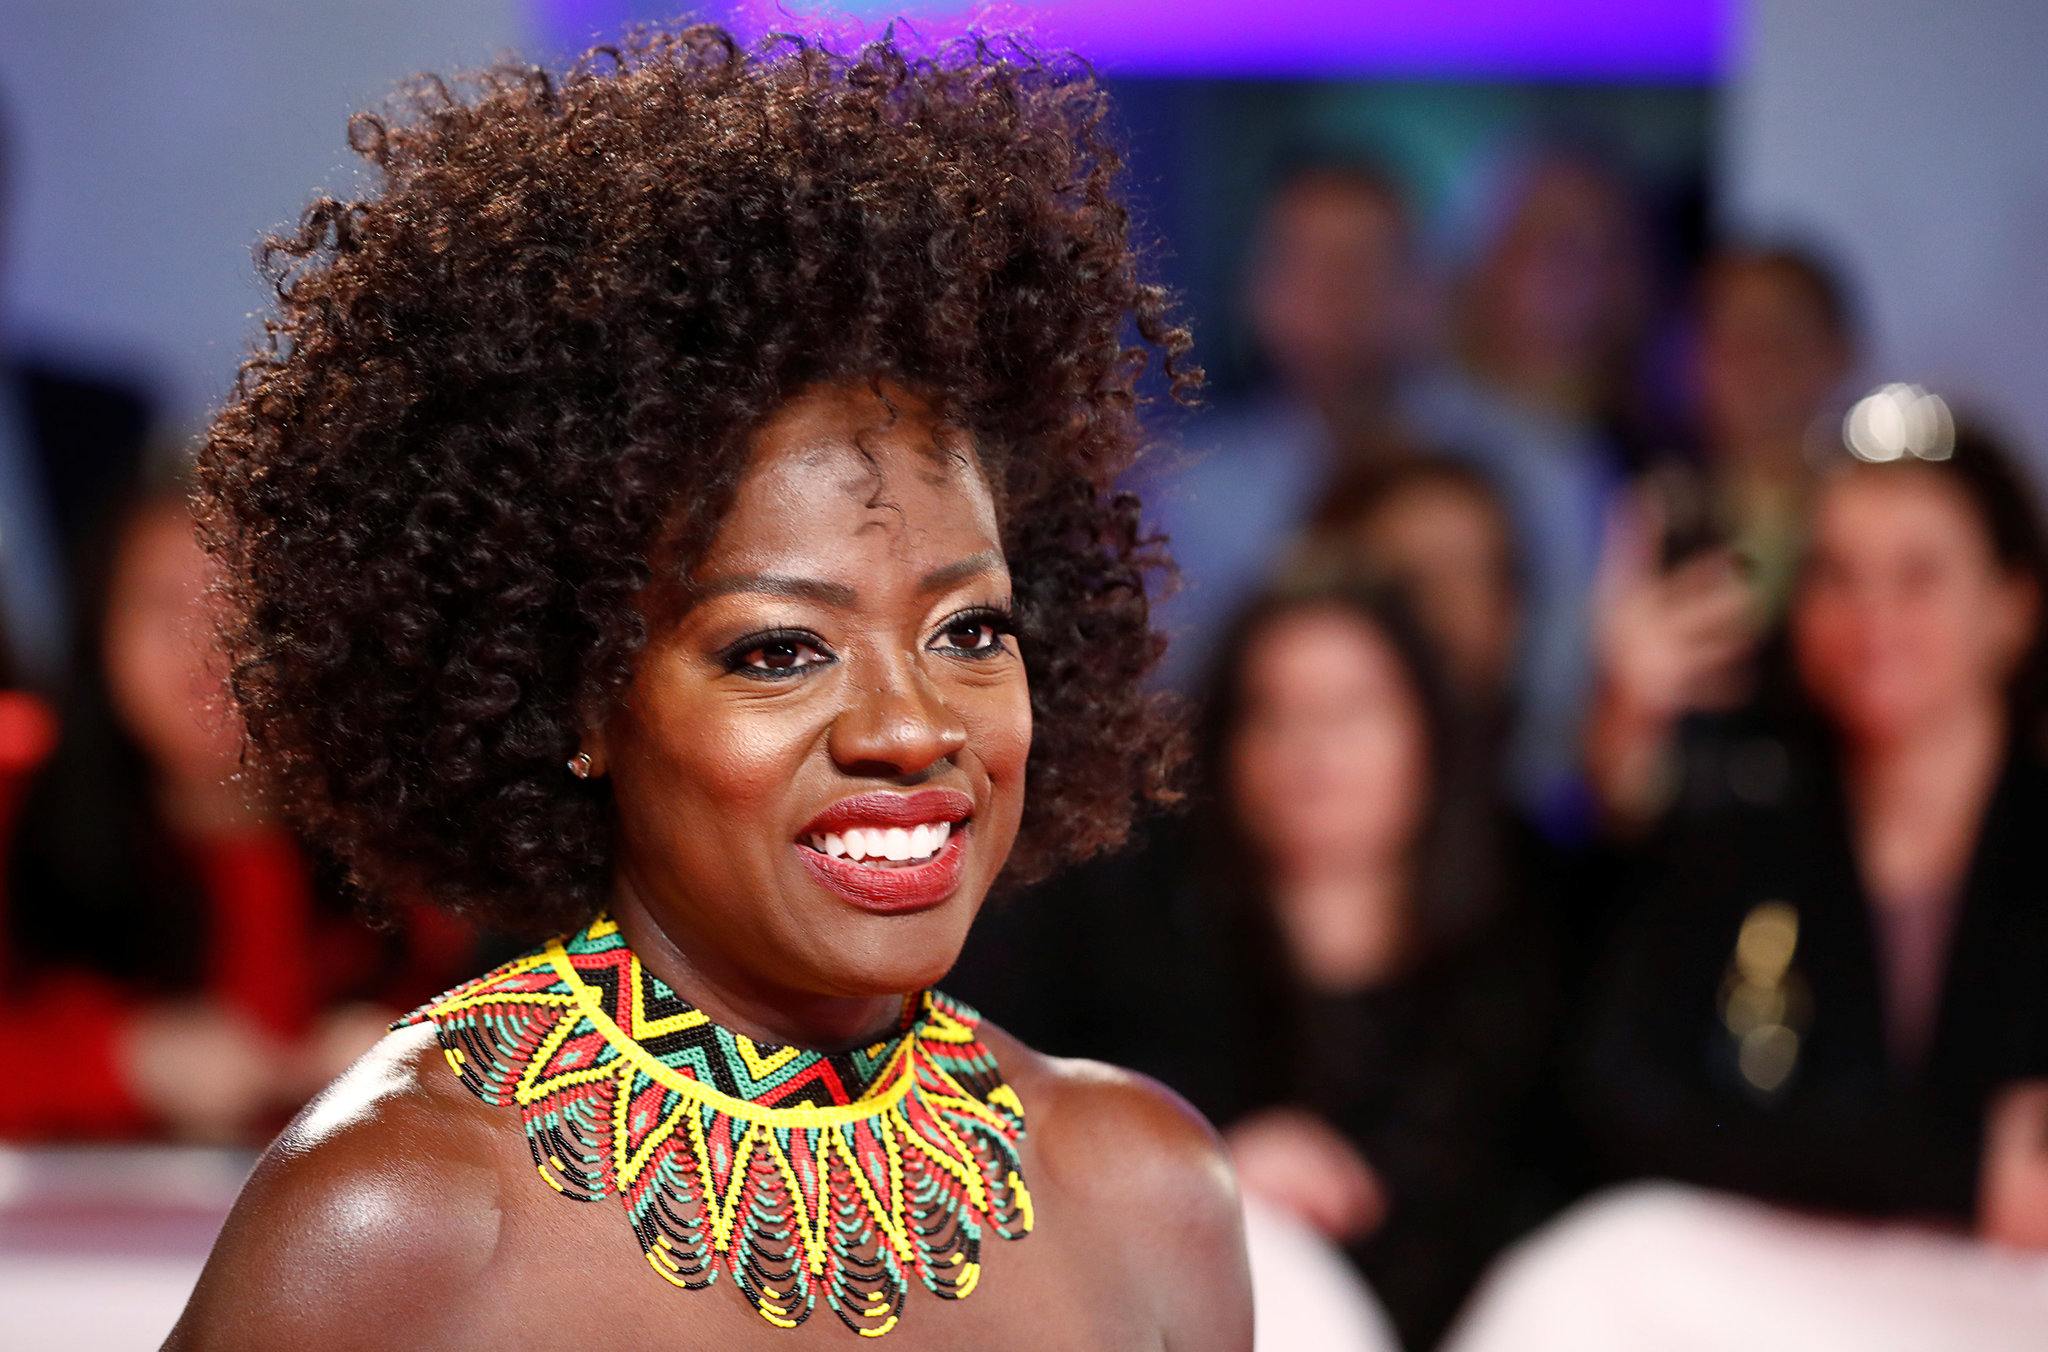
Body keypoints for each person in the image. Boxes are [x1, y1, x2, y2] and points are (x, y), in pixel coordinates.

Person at [168, 28, 1249, 1350]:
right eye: (776, 650)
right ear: (577, 697)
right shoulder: (398, 1223)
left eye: (969, 631)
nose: (910, 727)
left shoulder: (1152, 1197)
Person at [955, 577, 1556, 1350]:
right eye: (1272, 715)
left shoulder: (1525, 918)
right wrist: (1203, 1165)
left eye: (1350, 711)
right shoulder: (1134, 925)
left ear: (1429, 731)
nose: (1312, 753)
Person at [1575, 419, 2048, 1228]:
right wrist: (1951, 1174)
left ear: (2012, 607)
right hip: (1779, 1294)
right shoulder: (1748, 819)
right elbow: (1629, 1104)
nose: (1872, 616)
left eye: (1918, 576)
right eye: (1835, 574)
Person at [0, 469, 474, 1141]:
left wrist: (414, 1059)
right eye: (166, 605)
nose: (208, 651)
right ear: (97, 621)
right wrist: (118, 1063)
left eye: (245, 608)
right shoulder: (13, 786)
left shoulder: (408, 829)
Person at [1408, 155, 1653, 837]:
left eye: (1604, 247)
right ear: (1480, 270)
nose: (1575, 272)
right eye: (1548, 243)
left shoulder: (1660, 453)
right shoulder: (1417, 454)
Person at [1146, 161, 1430, 687]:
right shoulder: (1186, 492)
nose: (1334, 290)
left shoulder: (1516, 468)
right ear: (1255, 289)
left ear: (1422, 290)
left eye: (1360, 263)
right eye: (1303, 261)